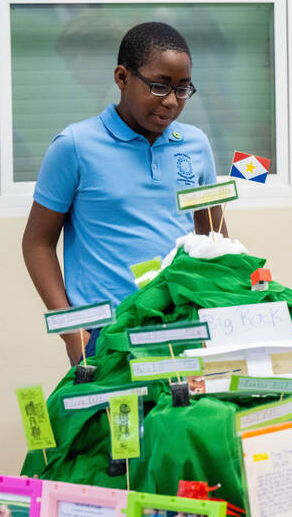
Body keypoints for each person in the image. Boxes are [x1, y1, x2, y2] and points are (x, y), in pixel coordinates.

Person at [23, 22, 227, 365]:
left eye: (182, 89)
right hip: (106, 333)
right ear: (122, 78)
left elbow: (213, 239)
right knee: (111, 420)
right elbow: (37, 244)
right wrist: (73, 333)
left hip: (182, 326)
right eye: (159, 87)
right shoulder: (75, 146)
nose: (171, 102)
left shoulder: (195, 145)